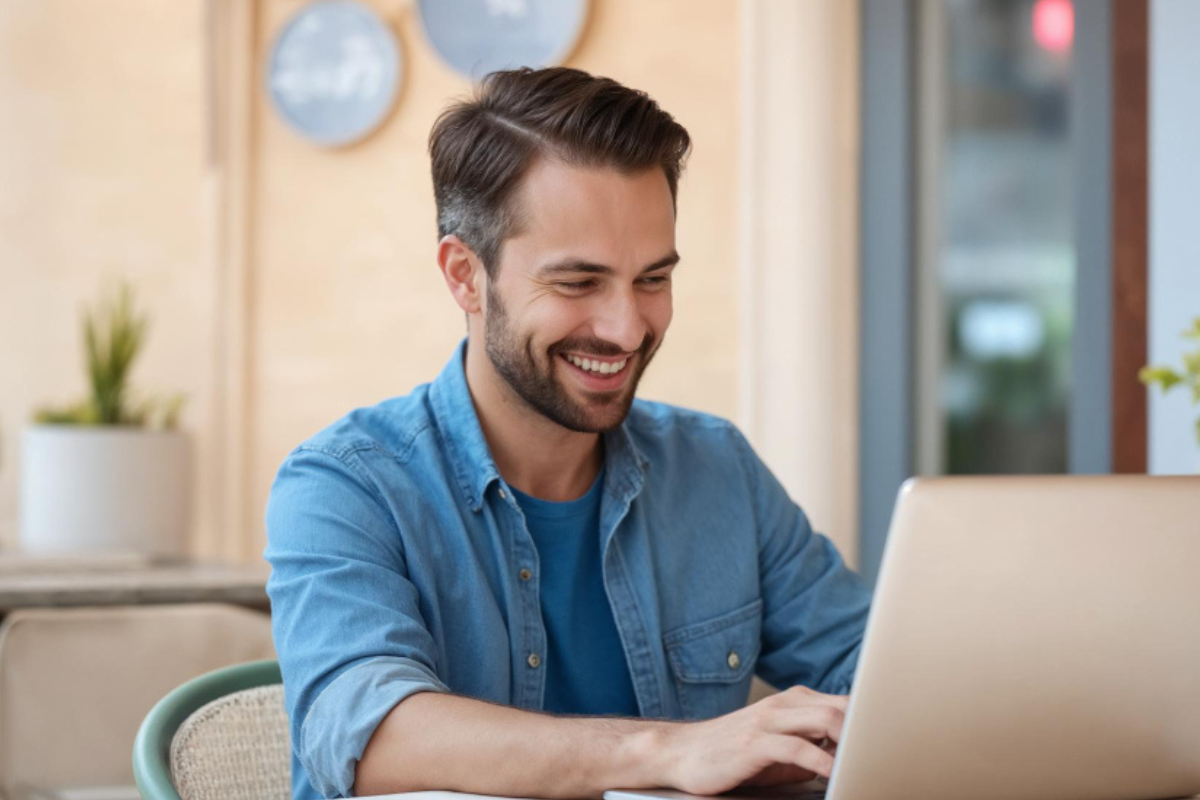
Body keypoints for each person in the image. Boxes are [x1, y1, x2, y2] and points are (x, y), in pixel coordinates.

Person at [265, 67, 871, 800]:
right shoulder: (345, 484)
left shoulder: (717, 470)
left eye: (652, 278)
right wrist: (668, 752)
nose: (626, 328)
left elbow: (875, 670)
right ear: (465, 276)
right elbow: (373, 736)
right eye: (579, 283)